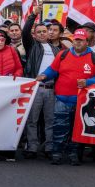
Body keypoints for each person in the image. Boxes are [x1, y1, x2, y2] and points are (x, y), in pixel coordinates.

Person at [36, 27, 95, 165]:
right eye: (76, 40)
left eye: (81, 41)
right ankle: (56, 154)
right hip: (61, 99)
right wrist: (44, 75)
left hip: (81, 101)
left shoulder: (94, 57)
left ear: (87, 41)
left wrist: (88, 82)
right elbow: (52, 69)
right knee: (59, 127)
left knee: (76, 129)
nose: (78, 43)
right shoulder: (63, 54)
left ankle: (73, 155)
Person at [21, 13, 61, 159]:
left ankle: (49, 148)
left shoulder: (57, 50)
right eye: (39, 32)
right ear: (35, 35)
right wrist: (33, 16)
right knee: (32, 120)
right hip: (35, 89)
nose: (43, 34)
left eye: (45, 31)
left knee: (50, 120)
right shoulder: (32, 46)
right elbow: (25, 31)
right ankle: (32, 148)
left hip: (51, 90)